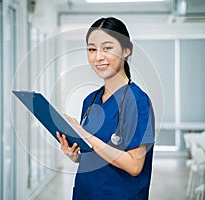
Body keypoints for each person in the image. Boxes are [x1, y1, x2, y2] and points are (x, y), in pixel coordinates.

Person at [56, 17, 155, 200]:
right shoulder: (90, 101)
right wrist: (74, 155)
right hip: (85, 193)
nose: (98, 56)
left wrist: (85, 135)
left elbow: (134, 166)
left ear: (126, 50)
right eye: (92, 49)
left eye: (107, 48)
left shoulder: (138, 101)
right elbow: (92, 154)